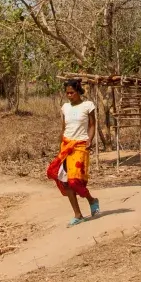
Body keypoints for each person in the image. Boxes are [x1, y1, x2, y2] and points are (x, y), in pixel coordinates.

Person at [48, 79, 101, 226]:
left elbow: (92, 125)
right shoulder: (65, 107)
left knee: (74, 181)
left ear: (79, 91)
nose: (69, 96)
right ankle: (78, 215)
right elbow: (64, 128)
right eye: (67, 93)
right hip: (66, 146)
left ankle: (92, 200)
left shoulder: (88, 106)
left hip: (80, 146)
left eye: (72, 93)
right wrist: (61, 147)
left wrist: (90, 139)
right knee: (65, 183)